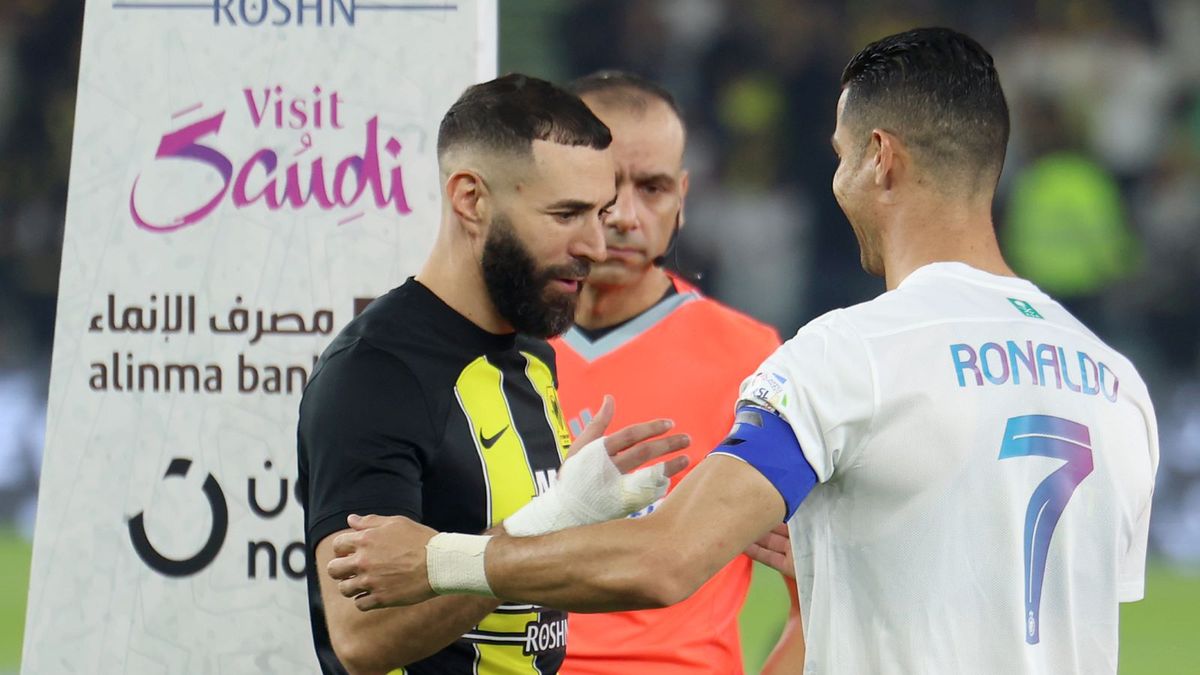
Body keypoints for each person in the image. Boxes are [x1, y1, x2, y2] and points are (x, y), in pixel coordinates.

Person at [327, 29, 1159, 674]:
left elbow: (666, 557)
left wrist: (436, 556)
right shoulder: (1119, 385)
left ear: (879, 159)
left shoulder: (850, 355)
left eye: (837, 157)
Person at [296, 73, 692, 675]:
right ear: (470, 199)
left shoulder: (533, 353)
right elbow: (361, 640)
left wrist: (573, 518)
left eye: (599, 213)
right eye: (567, 214)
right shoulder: (375, 374)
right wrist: (549, 520)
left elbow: (535, 588)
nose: (596, 243)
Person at [550, 71, 804, 674]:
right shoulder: (489, 346)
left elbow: (818, 600)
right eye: (605, 187)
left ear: (683, 198)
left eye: (654, 188)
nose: (625, 217)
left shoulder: (756, 361)